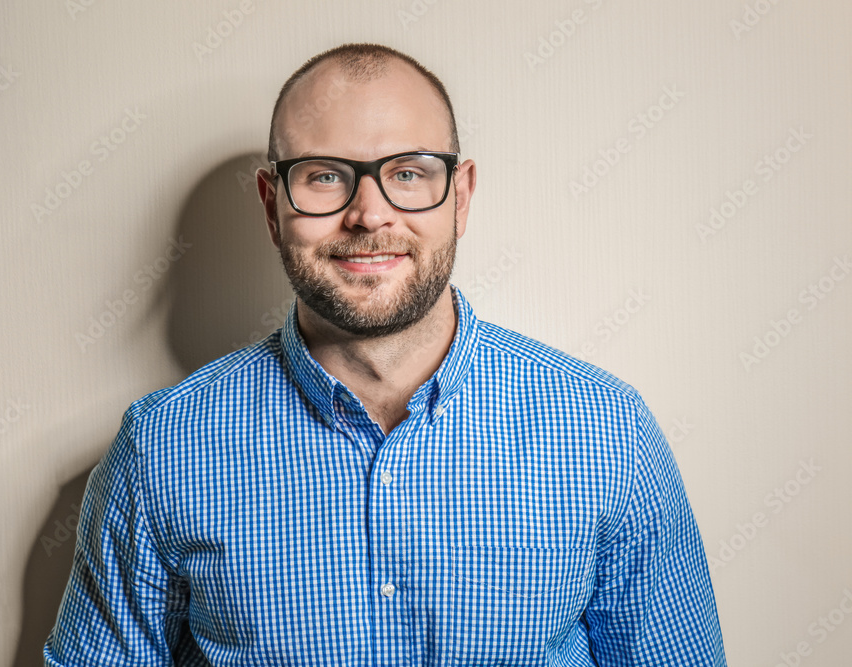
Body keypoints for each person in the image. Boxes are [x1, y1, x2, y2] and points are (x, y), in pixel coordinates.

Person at [44, 43, 727, 666]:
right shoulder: (160, 449)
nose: (370, 214)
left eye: (407, 172)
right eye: (323, 176)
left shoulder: (608, 432)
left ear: (460, 196)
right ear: (271, 206)